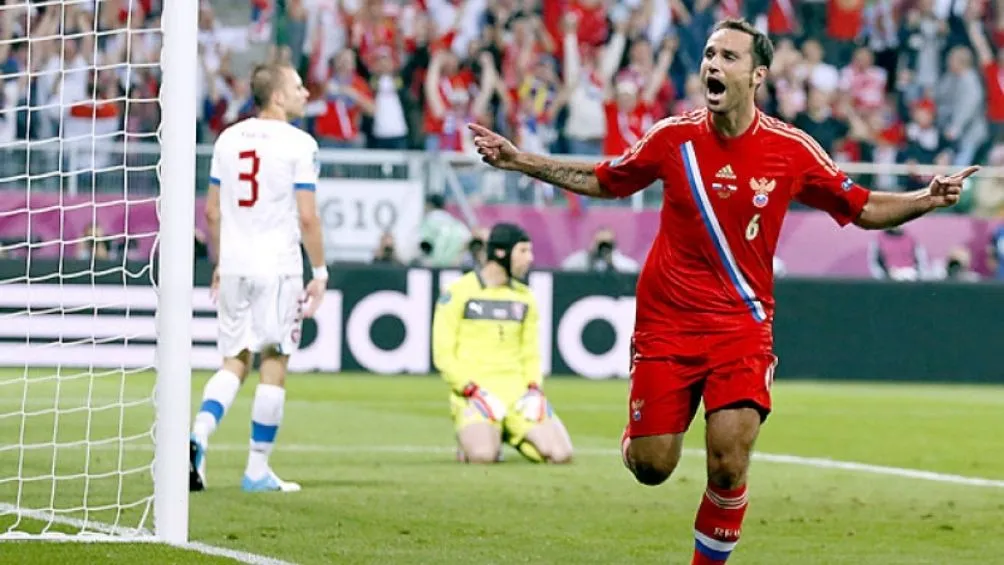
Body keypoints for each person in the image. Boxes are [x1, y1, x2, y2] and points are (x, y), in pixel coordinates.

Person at [468, 18, 978, 565]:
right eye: (709, 53)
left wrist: (926, 198)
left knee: (729, 462)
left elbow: (863, 208)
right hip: (667, 323)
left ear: (757, 75)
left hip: (742, 325)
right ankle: (640, 434)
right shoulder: (673, 138)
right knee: (652, 467)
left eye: (728, 57)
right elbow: (605, 179)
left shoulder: (791, 150)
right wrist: (519, 159)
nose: (712, 64)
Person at [189, 61, 328, 493]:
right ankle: (255, 470)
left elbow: (211, 211)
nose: (306, 93)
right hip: (278, 268)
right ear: (279, 97)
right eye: (299, 87)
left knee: (234, 360)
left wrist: (219, 261)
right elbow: (307, 217)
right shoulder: (300, 144)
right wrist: (320, 271)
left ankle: (198, 435)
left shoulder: (227, 138)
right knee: (274, 361)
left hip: (233, 265)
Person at [431, 223, 574, 465]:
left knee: (561, 454)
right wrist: (471, 390)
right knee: (483, 456)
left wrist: (534, 390)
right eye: (523, 251)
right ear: (500, 253)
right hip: (476, 394)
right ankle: (482, 440)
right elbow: (444, 355)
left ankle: (507, 432)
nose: (530, 258)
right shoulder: (458, 292)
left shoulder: (525, 297)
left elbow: (531, 354)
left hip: (519, 395)